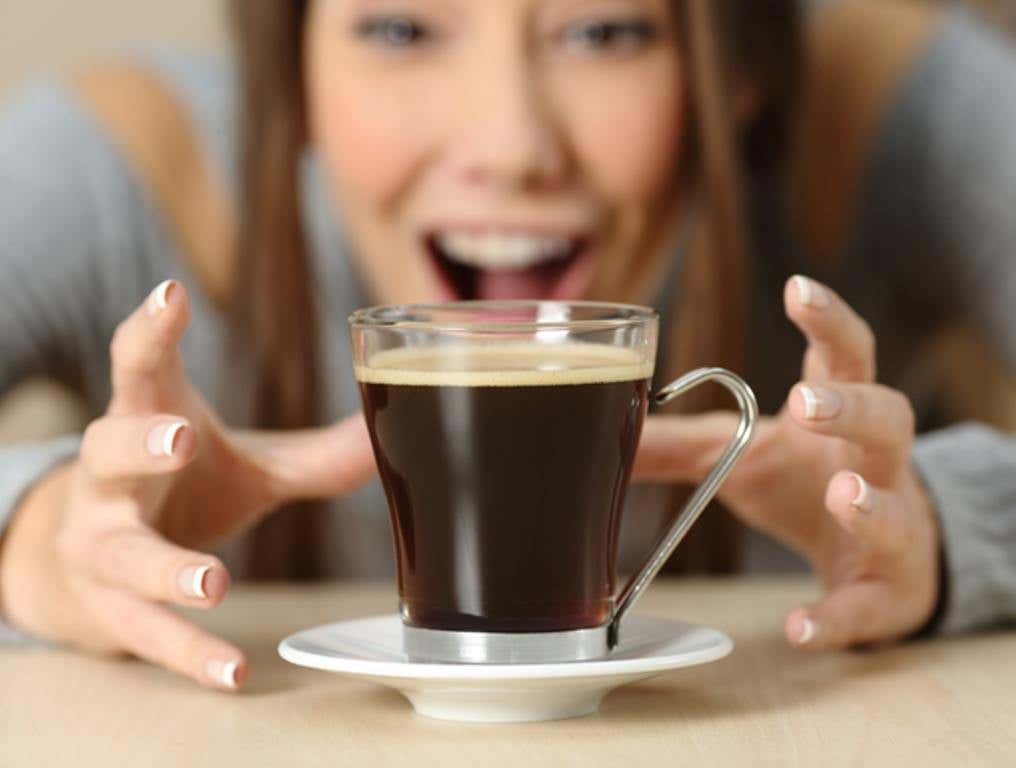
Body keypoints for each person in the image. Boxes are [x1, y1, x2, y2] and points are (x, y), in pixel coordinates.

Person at [0, 0, 1013, 692]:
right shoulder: (129, 163)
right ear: (291, 74)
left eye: (600, 30)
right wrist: (35, 543)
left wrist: (948, 529)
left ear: (736, 68)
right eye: (400, 26)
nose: (510, 145)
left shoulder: (883, 110)